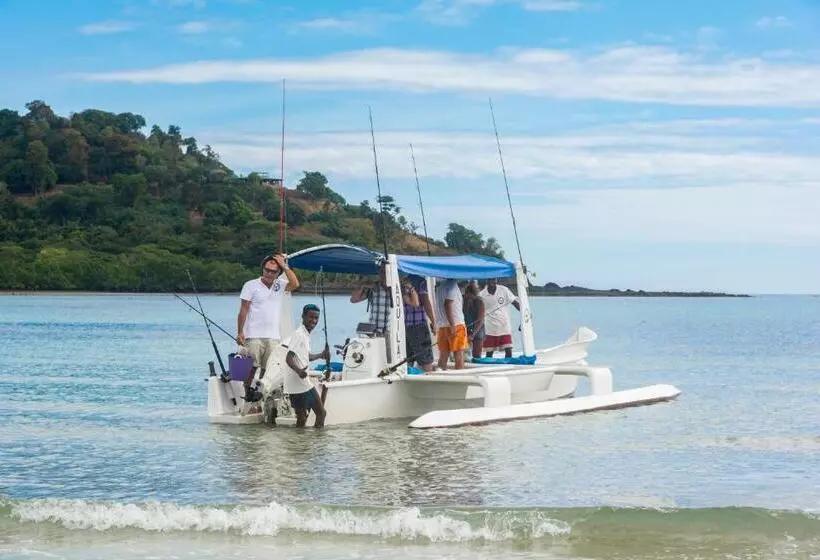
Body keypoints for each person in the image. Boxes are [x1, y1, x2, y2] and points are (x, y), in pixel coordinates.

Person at [237, 254, 300, 401]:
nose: (269, 274)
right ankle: (248, 391)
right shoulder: (250, 285)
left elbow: (295, 284)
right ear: (262, 269)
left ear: (278, 273)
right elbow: (243, 310)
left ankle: (260, 390)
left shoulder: (281, 284)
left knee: (268, 367)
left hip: (273, 335)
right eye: (267, 270)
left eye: (273, 271)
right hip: (253, 333)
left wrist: (284, 265)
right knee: (251, 366)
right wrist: (240, 332)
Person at [283, 304, 329, 428]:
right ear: (303, 316)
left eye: (316, 318)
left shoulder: (305, 334)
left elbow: (304, 356)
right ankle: (318, 444)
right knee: (321, 413)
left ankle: (300, 444)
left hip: (295, 382)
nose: (313, 321)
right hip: (300, 382)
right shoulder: (299, 334)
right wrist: (299, 371)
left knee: (302, 418)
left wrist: (320, 355)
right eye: (311, 317)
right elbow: (289, 357)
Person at [350, 265, 418, 334]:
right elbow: (353, 300)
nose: (384, 275)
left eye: (386, 272)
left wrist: (411, 288)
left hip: (393, 333)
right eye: (382, 272)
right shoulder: (373, 288)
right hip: (374, 331)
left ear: (391, 273)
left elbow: (415, 303)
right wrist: (362, 285)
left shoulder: (398, 289)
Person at [480, 278, 520, 358]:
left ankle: (508, 368)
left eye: (495, 279)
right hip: (489, 328)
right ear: (487, 280)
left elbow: (515, 303)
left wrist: (525, 314)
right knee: (489, 352)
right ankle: (489, 369)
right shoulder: (481, 294)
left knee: (508, 350)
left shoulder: (504, 290)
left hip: (504, 326)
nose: (493, 281)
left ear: (496, 280)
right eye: (491, 280)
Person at [435, 278, 469, 370]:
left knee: (443, 356)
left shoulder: (440, 287)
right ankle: (460, 379)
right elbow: (447, 304)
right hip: (456, 324)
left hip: (442, 326)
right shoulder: (453, 285)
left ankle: (440, 377)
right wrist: (453, 325)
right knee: (459, 356)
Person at [404, 274, 435, 372]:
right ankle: (430, 381)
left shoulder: (402, 282)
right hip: (418, 324)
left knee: (408, 358)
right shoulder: (421, 281)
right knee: (426, 359)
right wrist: (433, 321)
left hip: (405, 325)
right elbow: (425, 302)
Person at [462, 280, 485, 360]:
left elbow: (480, 320)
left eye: (470, 296)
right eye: (466, 295)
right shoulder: (463, 300)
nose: (468, 297)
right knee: (464, 354)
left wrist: (473, 334)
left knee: (477, 355)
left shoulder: (479, 301)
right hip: (466, 327)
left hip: (478, 328)